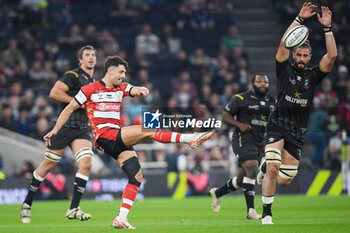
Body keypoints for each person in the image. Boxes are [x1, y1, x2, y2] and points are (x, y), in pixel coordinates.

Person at [43, 55, 215, 229]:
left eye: (124, 73)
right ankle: (189, 139)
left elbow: (134, 89)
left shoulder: (121, 88)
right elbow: (69, 108)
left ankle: (121, 218)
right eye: (121, 72)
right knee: (148, 128)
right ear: (110, 71)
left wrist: (143, 90)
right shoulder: (89, 89)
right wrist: (56, 130)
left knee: (136, 177)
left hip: (116, 138)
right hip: (104, 136)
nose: (123, 76)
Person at [257, 3, 337, 224]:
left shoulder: (313, 76)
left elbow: (331, 56)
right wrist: (300, 19)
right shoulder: (284, 70)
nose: (301, 58)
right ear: (294, 55)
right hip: (277, 124)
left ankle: (264, 167)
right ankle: (266, 215)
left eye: (305, 55)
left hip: (298, 132)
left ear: (309, 57)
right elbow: (284, 43)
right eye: (298, 55)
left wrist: (328, 28)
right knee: (274, 166)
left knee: (284, 180)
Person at [21, 45, 97, 223]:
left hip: (82, 128)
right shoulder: (73, 75)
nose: (91, 57)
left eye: (93, 54)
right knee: (47, 166)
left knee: (86, 164)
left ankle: (74, 208)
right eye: (87, 55)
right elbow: (54, 93)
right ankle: (27, 204)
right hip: (65, 126)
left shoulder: (95, 82)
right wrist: (77, 102)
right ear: (80, 60)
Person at [210, 75, 275, 219]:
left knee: (241, 179)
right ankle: (250, 211)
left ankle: (217, 193)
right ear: (252, 84)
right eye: (259, 81)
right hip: (243, 138)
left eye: (265, 81)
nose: (262, 84)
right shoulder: (240, 98)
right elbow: (225, 116)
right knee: (252, 167)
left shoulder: (272, 102)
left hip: (260, 141)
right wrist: (240, 125)